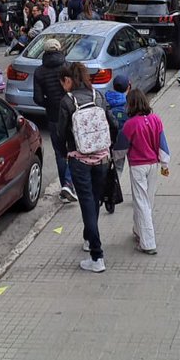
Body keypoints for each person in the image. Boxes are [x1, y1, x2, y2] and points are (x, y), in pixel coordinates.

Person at [57, 61, 117, 273]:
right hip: (102, 158)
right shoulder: (97, 96)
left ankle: (97, 255)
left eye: (62, 82)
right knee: (95, 201)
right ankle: (88, 239)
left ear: (69, 80)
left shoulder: (67, 101)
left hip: (79, 160)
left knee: (87, 205)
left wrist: (66, 152)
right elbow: (114, 124)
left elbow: (60, 133)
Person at [123, 88, 169, 255]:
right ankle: (138, 230)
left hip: (137, 166)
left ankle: (148, 242)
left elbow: (121, 148)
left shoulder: (130, 124)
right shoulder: (156, 119)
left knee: (141, 202)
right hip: (153, 165)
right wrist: (165, 164)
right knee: (147, 200)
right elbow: (163, 144)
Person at [33, 38, 77, 203]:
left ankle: (64, 189)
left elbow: (37, 98)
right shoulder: (68, 66)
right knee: (74, 149)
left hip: (53, 117)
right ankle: (70, 183)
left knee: (60, 152)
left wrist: (49, 103)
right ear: (59, 50)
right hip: (71, 113)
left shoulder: (39, 72)